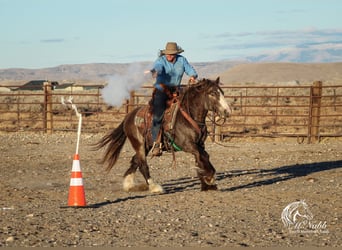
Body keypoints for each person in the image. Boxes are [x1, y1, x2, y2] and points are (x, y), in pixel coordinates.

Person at [146, 42, 198, 156]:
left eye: (172, 54)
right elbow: (157, 68)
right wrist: (154, 71)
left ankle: (190, 134)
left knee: (190, 105)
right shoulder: (161, 60)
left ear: (176, 54)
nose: (169, 56)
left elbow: (190, 70)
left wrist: (193, 76)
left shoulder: (182, 60)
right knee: (158, 112)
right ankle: (156, 142)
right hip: (162, 90)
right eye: (168, 54)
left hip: (176, 89)